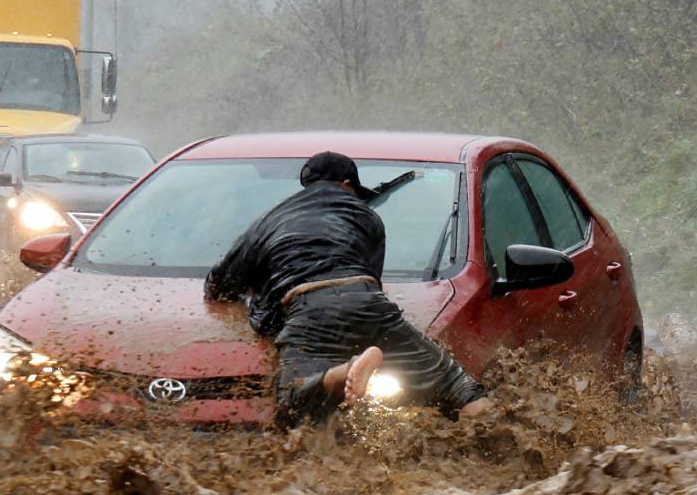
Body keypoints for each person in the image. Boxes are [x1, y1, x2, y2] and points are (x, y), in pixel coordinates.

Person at [204, 151, 487, 427]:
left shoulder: (269, 221)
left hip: (308, 307)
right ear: (347, 185)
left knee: (291, 406)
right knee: (457, 385)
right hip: (366, 299)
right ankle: (499, 441)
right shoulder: (367, 217)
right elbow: (371, 282)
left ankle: (345, 371)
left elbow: (219, 285)